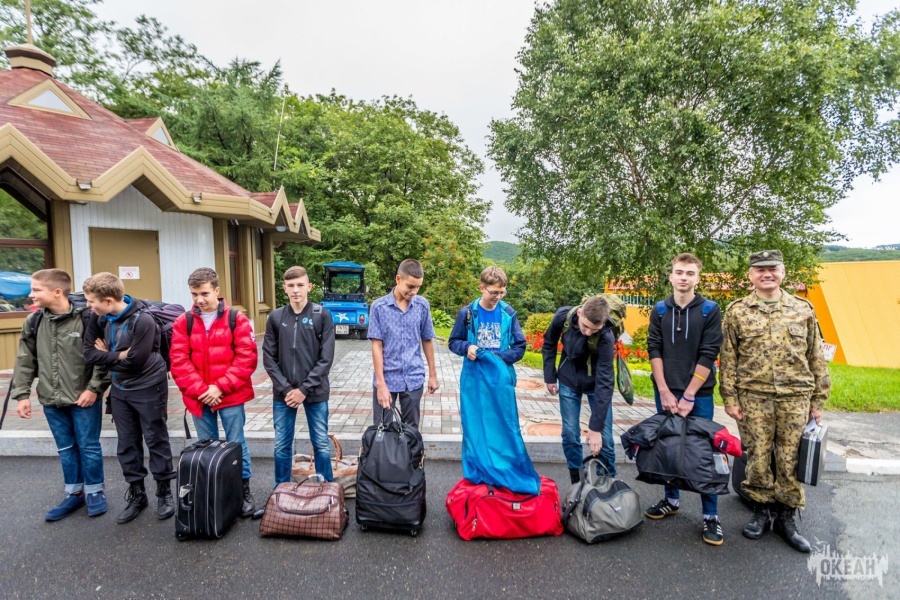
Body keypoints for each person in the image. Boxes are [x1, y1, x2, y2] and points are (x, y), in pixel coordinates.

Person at [720, 250, 831, 553]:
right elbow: (728, 358)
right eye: (760, 270)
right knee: (757, 456)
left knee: (790, 458)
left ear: (783, 273)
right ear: (751, 276)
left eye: (773, 269)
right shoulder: (737, 311)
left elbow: (816, 356)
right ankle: (761, 512)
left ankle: (786, 518)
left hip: (796, 397)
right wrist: (729, 398)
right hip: (753, 397)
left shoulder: (803, 309)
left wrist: (819, 400)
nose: (766, 274)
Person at [10, 269, 110, 521]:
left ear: (57, 292)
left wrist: (93, 389)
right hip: (51, 400)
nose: (31, 295)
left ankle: (95, 491)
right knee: (65, 448)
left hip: (84, 399)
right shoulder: (34, 321)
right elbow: (25, 360)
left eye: (36, 290)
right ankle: (74, 494)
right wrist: (22, 395)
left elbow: (102, 357)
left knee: (88, 447)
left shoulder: (88, 318)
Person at [82, 272, 176, 524]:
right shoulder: (98, 317)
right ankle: (137, 494)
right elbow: (88, 354)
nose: (88, 306)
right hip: (120, 389)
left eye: (91, 301)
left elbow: (136, 361)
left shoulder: (143, 320)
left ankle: (164, 492)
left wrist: (110, 355)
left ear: (109, 300)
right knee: (127, 443)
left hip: (149, 387)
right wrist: (120, 355)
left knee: (156, 439)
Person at [645, 253, 725, 545]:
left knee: (703, 452)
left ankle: (710, 516)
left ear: (697, 278)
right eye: (679, 272)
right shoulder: (659, 310)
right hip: (666, 392)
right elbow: (654, 348)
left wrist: (689, 394)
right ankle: (671, 501)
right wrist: (664, 390)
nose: (684, 277)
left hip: (698, 395)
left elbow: (709, 353)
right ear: (671, 276)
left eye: (690, 273)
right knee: (669, 447)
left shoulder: (709, 310)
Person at [169, 267, 259, 517]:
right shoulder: (183, 321)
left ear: (217, 291)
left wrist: (219, 387)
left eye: (204, 293)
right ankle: (214, 492)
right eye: (194, 294)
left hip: (230, 395)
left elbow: (247, 358)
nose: (199, 299)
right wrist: (202, 390)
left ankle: (242, 491)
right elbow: (178, 361)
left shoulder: (237, 319)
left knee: (236, 443)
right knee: (206, 446)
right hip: (199, 398)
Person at [448, 267, 536, 491]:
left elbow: (519, 346)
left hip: (500, 379)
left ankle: (504, 468)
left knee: (503, 426)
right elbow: (453, 342)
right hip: (474, 380)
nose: (498, 297)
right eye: (494, 292)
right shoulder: (467, 313)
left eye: (502, 292)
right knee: (475, 426)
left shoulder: (508, 313)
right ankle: (480, 471)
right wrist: (467, 347)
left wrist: (496, 359)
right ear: (482, 288)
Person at [263, 266, 335, 485]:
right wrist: (287, 389)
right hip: (283, 394)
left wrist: (304, 390)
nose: (296, 290)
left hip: (315, 391)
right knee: (282, 445)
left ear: (309, 287)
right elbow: (268, 358)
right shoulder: (276, 317)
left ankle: (325, 490)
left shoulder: (322, 315)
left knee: (321, 444)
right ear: (284, 288)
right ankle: (281, 490)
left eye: (300, 285)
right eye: (291, 285)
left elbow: (326, 359)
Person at [542, 295, 617, 484]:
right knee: (570, 434)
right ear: (580, 313)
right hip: (569, 379)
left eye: (594, 330)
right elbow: (549, 343)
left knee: (605, 439)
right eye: (585, 326)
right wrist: (550, 376)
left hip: (595, 385)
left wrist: (595, 428)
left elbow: (605, 382)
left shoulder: (606, 336)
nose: (588, 333)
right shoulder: (563, 317)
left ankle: (607, 485)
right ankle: (578, 482)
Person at [367, 259, 438, 428]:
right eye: (410, 286)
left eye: (418, 287)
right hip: (387, 378)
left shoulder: (422, 306)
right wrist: (381, 385)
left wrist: (433, 375)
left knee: (411, 431)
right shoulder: (379, 307)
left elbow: (427, 339)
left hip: (413, 378)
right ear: (398, 279)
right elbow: (376, 346)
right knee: (382, 430)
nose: (414, 291)